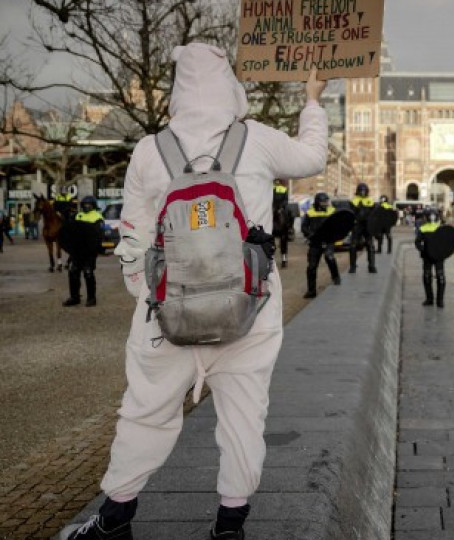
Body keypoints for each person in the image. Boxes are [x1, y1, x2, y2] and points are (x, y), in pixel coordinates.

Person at [61, 44, 329, 540]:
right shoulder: (258, 141)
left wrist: (146, 293)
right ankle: (230, 525)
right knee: (245, 417)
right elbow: (313, 156)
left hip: (168, 315)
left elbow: (132, 233)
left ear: (177, 91)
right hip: (249, 312)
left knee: (144, 413)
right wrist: (312, 100)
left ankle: (114, 520)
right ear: (230, 85)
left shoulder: (149, 150)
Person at [59, 196, 103, 307]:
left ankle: (91, 298)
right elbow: (71, 230)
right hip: (77, 250)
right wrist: (67, 215)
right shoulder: (78, 215)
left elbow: (97, 234)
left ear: (93, 205)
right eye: (85, 204)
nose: (87, 206)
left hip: (89, 251)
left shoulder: (97, 216)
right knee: (73, 271)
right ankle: (74, 297)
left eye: (89, 204)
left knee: (88, 272)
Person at [301, 192, 340, 298]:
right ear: (318, 202)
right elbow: (304, 227)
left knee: (329, 257)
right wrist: (309, 234)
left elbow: (338, 224)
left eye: (327, 201)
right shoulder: (310, 213)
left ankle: (336, 277)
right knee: (312, 266)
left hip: (328, 241)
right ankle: (311, 291)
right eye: (324, 202)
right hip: (315, 242)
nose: (326, 203)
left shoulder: (332, 211)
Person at [414, 208, 446, 307]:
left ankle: (440, 300)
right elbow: (417, 241)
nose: (432, 217)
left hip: (438, 256)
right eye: (430, 215)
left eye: (434, 215)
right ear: (426, 217)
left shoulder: (441, 228)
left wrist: (444, 252)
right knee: (427, 276)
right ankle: (429, 298)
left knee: (440, 277)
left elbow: (447, 242)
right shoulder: (423, 228)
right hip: (427, 256)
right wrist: (422, 249)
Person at [349, 183, 376, 273]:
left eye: (364, 190)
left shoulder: (371, 201)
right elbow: (350, 214)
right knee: (353, 245)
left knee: (370, 245)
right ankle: (353, 266)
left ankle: (371, 266)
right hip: (357, 225)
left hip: (367, 225)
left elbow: (374, 214)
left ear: (367, 191)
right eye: (361, 190)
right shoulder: (353, 201)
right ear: (358, 191)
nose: (362, 192)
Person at [271, 179, 291, 268]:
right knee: (290, 214)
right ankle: (290, 227)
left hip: (274, 208)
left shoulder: (270, 188)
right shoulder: (284, 189)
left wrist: (277, 208)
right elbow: (286, 201)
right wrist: (281, 208)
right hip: (279, 209)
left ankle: (289, 228)